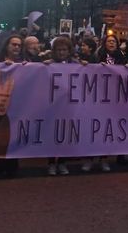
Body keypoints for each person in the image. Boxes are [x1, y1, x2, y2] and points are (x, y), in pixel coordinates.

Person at [0, 35, 22, 179]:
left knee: (14, 136)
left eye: (18, 45)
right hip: (0, 104)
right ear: (7, 46)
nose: (16, 47)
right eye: (13, 44)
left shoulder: (23, 63)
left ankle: (12, 167)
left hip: (17, 105)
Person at [44, 36, 75, 176]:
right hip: (53, 105)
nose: (62, 53)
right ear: (54, 51)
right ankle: (51, 162)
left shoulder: (75, 64)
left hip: (69, 106)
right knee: (53, 134)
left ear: (69, 51)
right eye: (59, 50)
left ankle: (62, 162)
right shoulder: (47, 64)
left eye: (64, 50)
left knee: (66, 135)